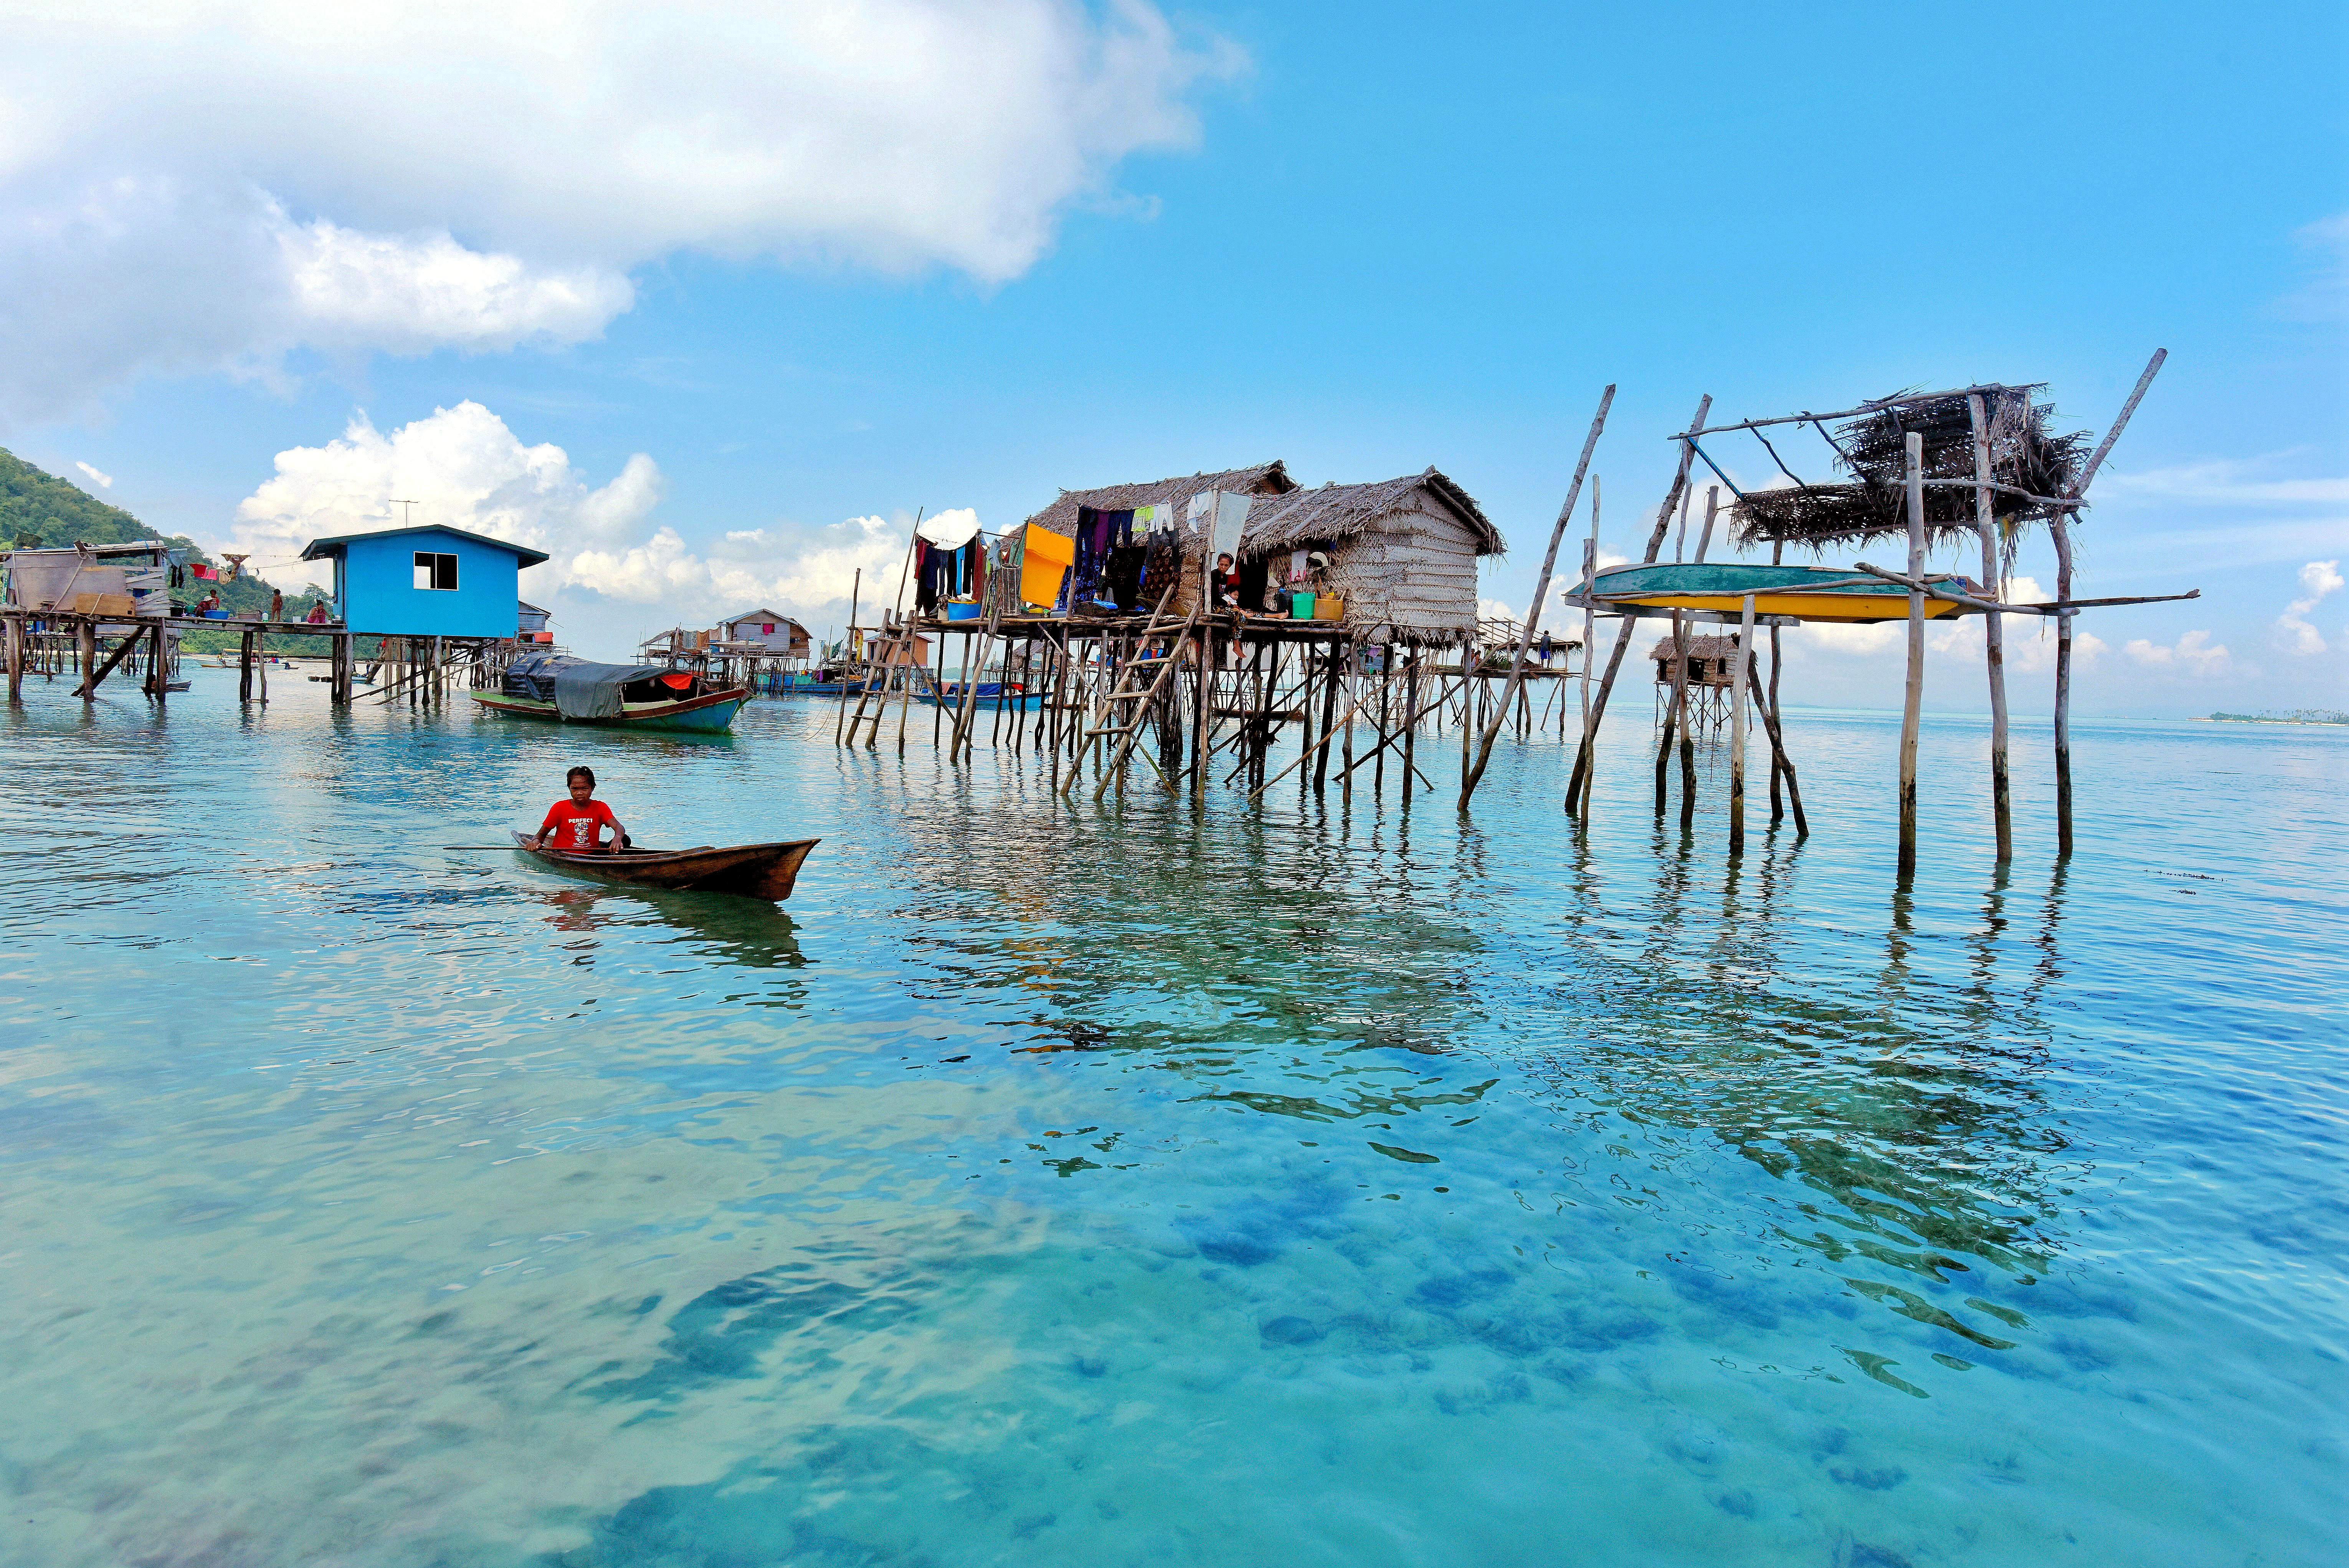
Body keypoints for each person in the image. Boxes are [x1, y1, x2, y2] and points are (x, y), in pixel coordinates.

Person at [534, 765, 628, 856]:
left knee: (626, 840)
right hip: (563, 855)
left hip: (592, 854)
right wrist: (535, 842)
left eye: (585, 789)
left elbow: (619, 827)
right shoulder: (559, 808)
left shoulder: (600, 807)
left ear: (592, 788)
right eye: (575, 789)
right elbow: (540, 835)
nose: (579, 793)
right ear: (569, 788)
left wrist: (618, 838)